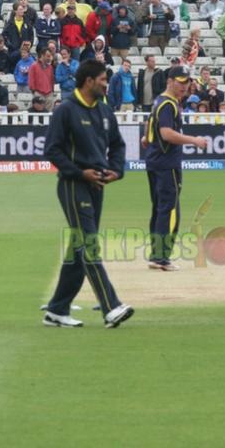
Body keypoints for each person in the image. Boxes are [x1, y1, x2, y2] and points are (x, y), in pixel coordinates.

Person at [42, 60, 134, 329]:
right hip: (73, 185)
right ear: (88, 81)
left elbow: (117, 145)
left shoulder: (105, 111)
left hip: (97, 186)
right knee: (89, 243)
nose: (107, 83)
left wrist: (116, 171)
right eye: (103, 79)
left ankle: (57, 309)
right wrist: (81, 173)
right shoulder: (67, 110)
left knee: (78, 248)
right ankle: (111, 306)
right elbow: (52, 150)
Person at [143, 66, 208, 271]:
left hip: (155, 162)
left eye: (187, 82)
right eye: (180, 82)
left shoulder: (160, 100)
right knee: (170, 210)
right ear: (169, 81)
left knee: (159, 209)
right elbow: (167, 133)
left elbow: (150, 122)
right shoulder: (168, 104)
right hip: (167, 163)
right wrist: (194, 140)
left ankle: (156, 254)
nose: (184, 86)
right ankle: (162, 257)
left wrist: (147, 137)